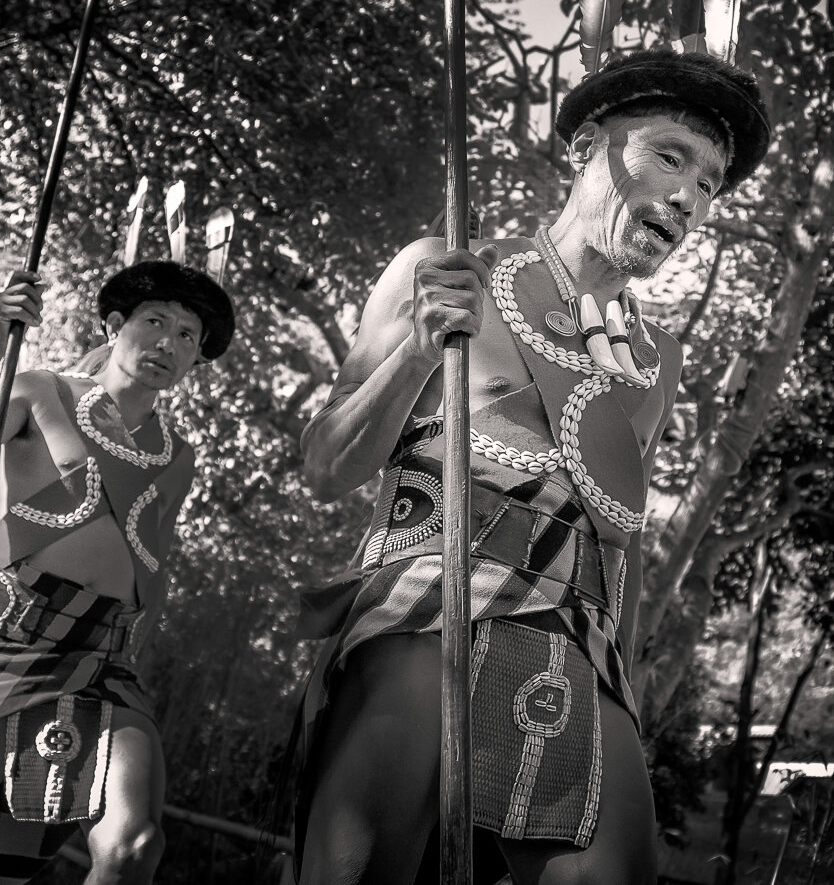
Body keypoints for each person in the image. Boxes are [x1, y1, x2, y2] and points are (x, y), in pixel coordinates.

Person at [293, 49, 771, 884]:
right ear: (590, 143)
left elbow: (618, 546)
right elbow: (327, 468)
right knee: (362, 865)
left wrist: (619, 684)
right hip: (426, 600)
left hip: (574, 636)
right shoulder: (438, 265)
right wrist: (415, 352)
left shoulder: (657, 360)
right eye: (669, 156)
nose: (691, 198)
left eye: (710, 183)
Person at [0, 260, 234, 885]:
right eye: (155, 322)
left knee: (134, 847)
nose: (169, 343)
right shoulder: (39, 389)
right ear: (114, 325)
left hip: (103, 661)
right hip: (5, 640)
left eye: (188, 335)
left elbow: (154, 573)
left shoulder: (178, 457)